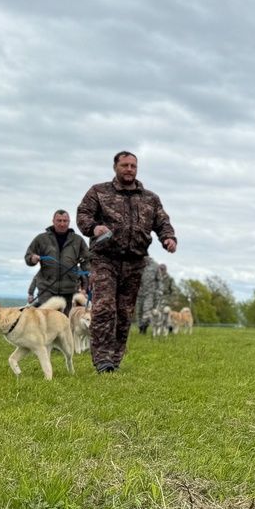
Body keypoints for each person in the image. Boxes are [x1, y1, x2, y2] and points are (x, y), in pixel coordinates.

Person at [76, 151, 177, 373]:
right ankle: (102, 360)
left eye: (133, 165)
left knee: (124, 313)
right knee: (104, 309)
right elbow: (83, 215)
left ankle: (115, 357)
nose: (129, 169)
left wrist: (168, 238)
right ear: (115, 167)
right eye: (125, 165)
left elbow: (162, 222)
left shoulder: (150, 198)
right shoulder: (99, 192)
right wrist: (94, 228)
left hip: (135, 261)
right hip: (105, 259)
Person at [25, 209, 88, 315]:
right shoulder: (41, 239)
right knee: (47, 319)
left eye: (65, 221)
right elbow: (28, 256)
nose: (62, 224)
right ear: (53, 221)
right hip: (47, 288)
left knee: (66, 321)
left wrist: (89, 279)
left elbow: (87, 261)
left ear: (69, 222)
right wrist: (32, 258)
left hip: (70, 290)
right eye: (59, 220)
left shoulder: (78, 240)